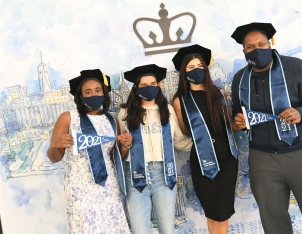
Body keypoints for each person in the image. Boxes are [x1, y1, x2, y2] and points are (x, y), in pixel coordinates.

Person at [230, 22, 302, 234]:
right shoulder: (239, 80)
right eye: (250, 47)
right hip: (262, 159)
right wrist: (239, 121)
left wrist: (301, 114)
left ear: (271, 43)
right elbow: (240, 113)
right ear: (244, 50)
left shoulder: (297, 68)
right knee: (273, 222)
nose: (257, 49)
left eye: (261, 44)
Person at [47, 69, 131, 234]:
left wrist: (125, 145)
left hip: (109, 187)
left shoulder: (112, 120)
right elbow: (54, 158)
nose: (94, 95)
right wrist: (55, 145)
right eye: (88, 92)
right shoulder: (68, 118)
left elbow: (114, 159)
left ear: (104, 93)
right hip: (80, 188)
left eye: (98, 90)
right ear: (80, 96)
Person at [172, 44, 239, 234]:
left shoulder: (220, 94)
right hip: (202, 161)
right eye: (191, 67)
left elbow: (229, 124)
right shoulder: (180, 100)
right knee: (211, 213)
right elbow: (185, 132)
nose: (197, 70)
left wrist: (240, 122)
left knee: (222, 214)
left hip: (227, 159)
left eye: (200, 66)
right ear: (184, 72)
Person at [118, 64, 192, 234]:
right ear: (136, 88)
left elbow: (179, 141)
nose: (149, 88)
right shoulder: (125, 113)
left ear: (159, 86)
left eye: (152, 84)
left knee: (167, 229)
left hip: (163, 174)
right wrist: (125, 143)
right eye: (143, 86)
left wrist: (204, 144)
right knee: (139, 230)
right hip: (136, 175)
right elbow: (120, 149)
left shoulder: (168, 110)